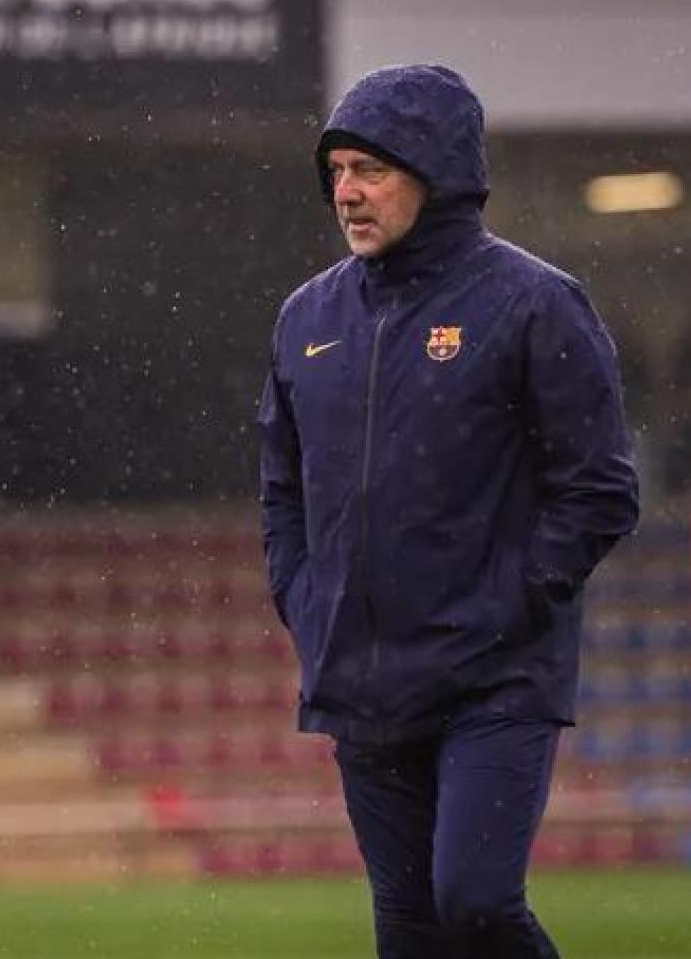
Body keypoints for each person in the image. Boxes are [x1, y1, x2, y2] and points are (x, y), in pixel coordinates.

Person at [257, 64, 641, 958]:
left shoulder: (536, 303)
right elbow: (281, 487)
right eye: (338, 172)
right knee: (410, 931)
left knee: (473, 902)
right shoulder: (305, 316)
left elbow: (600, 490)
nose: (346, 193)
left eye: (370, 170)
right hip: (362, 679)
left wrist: (504, 608)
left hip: (493, 679)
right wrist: (306, 604)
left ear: (437, 172)